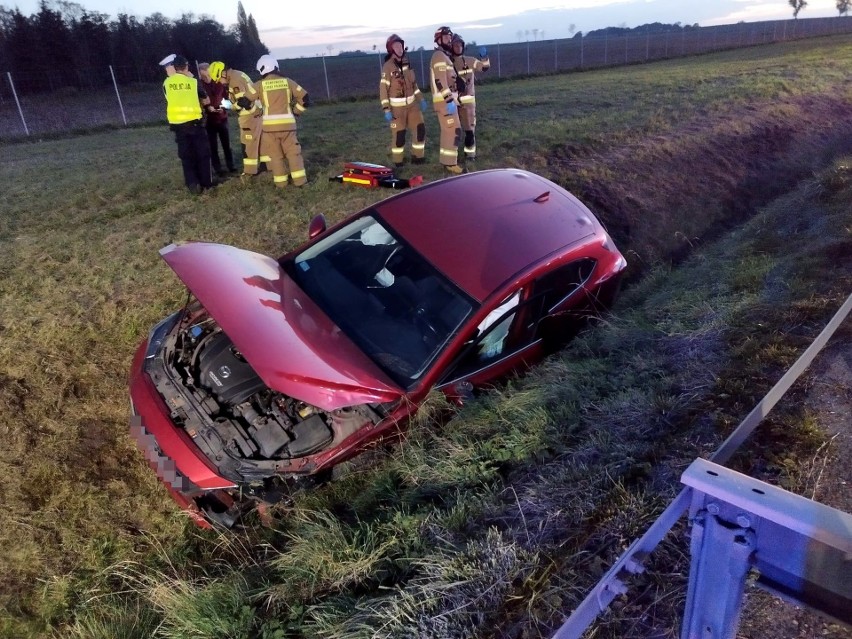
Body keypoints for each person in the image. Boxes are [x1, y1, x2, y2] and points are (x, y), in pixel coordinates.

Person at [254, 54, 310, 187]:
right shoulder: (287, 82)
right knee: (293, 154)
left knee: (276, 157)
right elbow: (305, 98)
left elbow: (244, 101)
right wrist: (296, 111)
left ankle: (281, 184)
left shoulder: (259, 85)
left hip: (269, 129)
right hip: (288, 127)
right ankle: (301, 182)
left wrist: (257, 112)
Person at [161, 54, 214, 194]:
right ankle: (206, 184)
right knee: (203, 154)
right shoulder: (193, 82)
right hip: (195, 124)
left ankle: (192, 184)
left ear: (174, 67)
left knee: (186, 156)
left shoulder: (166, 83)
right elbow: (206, 100)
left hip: (178, 126)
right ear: (186, 67)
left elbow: (169, 98)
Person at [208, 60, 266, 177]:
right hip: (255, 113)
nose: (219, 82)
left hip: (249, 115)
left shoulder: (234, 80)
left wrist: (228, 106)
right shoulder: (237, 74)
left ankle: (250, 172)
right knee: (259, 142)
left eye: (219, 79)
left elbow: (242, 103)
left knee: (247, 144)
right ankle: (265, 166)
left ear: (223, 73)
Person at [380, 34, 427, 167]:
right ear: (391, 49)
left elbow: (414, 85)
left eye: (400, 46)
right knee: (399, 136)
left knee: (420, 129)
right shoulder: (387, 67)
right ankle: (398, 161)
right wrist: (386, 109)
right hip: (396, 110)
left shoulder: (407, 63)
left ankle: (418, 158)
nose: (400, 48)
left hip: (412, 106)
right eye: (396, 46)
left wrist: (421, 99)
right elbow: (383, 90)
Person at [450, 34, 490, 162]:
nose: (458, 47)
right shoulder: (447, 63)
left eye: (460, 45)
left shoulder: (470, 60)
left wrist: (484, 57)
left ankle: (470, 156)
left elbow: (484, 68)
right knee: (452, 132)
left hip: (468, 103)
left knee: (469, 131)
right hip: (452, 102)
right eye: (455, 45)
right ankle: (451, 158)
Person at [429, 26, 463, 175]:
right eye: (446, 38)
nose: (449, 40)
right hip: (445, 102)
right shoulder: (439, 56)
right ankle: (451, 164)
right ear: (438, 40)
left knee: (447, 131)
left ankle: (445, 160)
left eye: (450, 37)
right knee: (454, 131)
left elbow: (447, 79)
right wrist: (449, 100)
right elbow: (439, 81)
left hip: (446, 102)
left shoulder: (444, 56)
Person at [198, 62, 237, 177]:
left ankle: (231, 165)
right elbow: (200, 100)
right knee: (212, 146)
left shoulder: (219, 83)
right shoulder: (200, 86)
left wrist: (225, 106)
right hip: (209, 121)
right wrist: (207, 108)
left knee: (226, 144)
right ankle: (218, 168)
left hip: (222, 118)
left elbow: (226, 98)